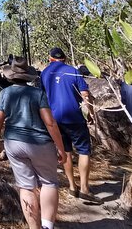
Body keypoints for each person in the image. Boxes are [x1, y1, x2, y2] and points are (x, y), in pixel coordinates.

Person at [0, 57, 67, 229]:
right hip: (40, 143)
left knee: (26, 187)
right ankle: (47, 225)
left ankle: (34, 227)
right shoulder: (37, 93)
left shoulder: (5, 93)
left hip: (13, 143)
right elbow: (50, 122)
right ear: (28, 76)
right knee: (49, 182)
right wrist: (60, 148)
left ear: (11, 75)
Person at [40, 47, 100, 203]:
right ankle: (85, 189)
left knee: (65, 151)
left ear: (50, 58)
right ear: (64, 59)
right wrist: (91, 113)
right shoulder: (73, 71)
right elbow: (85, 95)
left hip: (55, 120)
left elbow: (42, 97)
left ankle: (72, 187)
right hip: (75, 118)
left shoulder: (45, 73)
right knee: (84, 151)